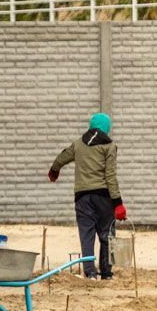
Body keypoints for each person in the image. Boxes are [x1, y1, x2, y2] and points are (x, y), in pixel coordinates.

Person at [48, 112, 127, 280]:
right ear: (107, 128)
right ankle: (106, 273)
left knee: (87, 235)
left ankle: (90, 272)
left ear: (91, 126)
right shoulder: (109, 146)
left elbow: (62, 157)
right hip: (104, 197)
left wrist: (54, 170)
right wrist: (118, 203)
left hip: (82, 197)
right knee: (107, 234)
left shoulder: (78, 144)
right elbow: (110, 176)